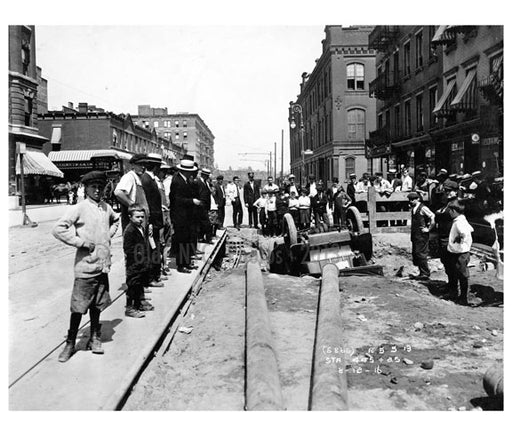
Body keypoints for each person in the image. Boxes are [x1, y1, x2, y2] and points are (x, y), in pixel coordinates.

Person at [52, 171, 119, 362]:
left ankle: (95, 337)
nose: (97, 191)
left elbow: (115, 220)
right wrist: (80, 243)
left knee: (97, 304)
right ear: (86, 188)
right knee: (78, 307)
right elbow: (58, 229)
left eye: (100, 187)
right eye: (93, 187)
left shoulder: (106, 207)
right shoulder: (79, 208)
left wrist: (108, 235)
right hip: (86, 267)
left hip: (102, 266)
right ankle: (71, 342)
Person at [169, 157, 203, 274]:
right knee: (181, 240)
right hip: (180, 216)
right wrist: (192, 201)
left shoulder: (186, 180)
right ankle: (181, 264)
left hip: (186, 216)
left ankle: (187, 262)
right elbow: (176, 199)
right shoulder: (177, 181)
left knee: (187, 239)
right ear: (185, 171)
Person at [140, 154, 165, 287]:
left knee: (155, 248)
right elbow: (147, 202)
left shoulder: (150, 179)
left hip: (155, 220)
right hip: (152, 221)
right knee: (152, 249)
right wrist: (149, 222)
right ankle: (151, 278)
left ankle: (156, 274)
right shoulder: (146, 179)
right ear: (155, 167)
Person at [123, 204, 151, 318]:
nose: (140, 219)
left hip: (141, 263)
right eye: (137, 217)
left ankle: (139, 304)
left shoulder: (141, 228)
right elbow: (128, 248)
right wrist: (138, 255)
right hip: (133, 264)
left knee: (139, 284)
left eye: (142, 217)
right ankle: (130, 308)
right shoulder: (130, 230)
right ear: (130, 217)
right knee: (132, 286)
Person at [446, 200, 474, 305]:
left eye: (450, 211)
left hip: (460, 253)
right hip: (457, 252)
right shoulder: (461, 219)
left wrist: (460, 239)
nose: (449, 213)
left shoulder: (459, 222)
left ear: (454, 211)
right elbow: (471, 229)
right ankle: (458, 295)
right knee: (456, 273)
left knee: (462, 275)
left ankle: (463, 298)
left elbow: (465, 232)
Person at [434, 181, 460, 296]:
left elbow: (453, 217)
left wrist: (439, 214)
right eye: (446, 191)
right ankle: (450, 285)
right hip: (443, 236)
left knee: (451, 264)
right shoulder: (448, 203)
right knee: (446, 262)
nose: (447, 193)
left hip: (450, 237)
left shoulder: (456, 203)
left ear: (455, 191)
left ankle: (454, 290)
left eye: (449, 191)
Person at [114, 154, 150, 232]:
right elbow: (118, 193)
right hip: (132, 222)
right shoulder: (129, 177)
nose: (143, 167)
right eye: (140, 164)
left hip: (140, 221)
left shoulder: (139, 178)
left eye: (144, 165)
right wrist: (133, 205)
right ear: (133, 165)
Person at [407, 191, 435, 280]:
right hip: (415, 234)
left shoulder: (423, 208)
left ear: (418, 199)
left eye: (413, 199)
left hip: (422, 235)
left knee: (421, 253)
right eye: (410, 200)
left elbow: (432, 216)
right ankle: (421, 272)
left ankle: (425, 273)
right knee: (416, 253)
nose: (411, 201)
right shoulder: (413, 208)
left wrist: (429, 228)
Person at [197, 168, 213, 244]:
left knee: (202, 223)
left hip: (205, 206)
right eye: (206, 175)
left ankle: (201, 237)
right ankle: (208, 238)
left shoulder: (205, 182)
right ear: (203, 175)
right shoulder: (199, 182)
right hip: (201, 206)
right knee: (206, 223)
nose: (207, 177)